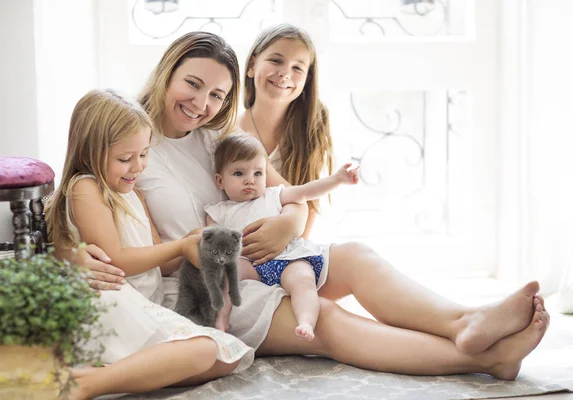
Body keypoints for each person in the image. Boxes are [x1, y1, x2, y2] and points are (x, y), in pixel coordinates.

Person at [83, 27, 549, 384]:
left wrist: (289, 225)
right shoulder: (134, 148)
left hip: (262, 258)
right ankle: (487, 356)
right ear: (167, 72)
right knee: (324, 321)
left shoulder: (218, 138)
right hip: (208, 287)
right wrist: (74, 253)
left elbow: (290, 197)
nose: (202, 104)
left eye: (217, 95)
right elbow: (84, 204)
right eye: (193, 84)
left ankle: (465, 322)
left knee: (354, 256)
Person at [45, 89, 253, 400]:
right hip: (111, 299)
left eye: (143, 154)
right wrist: (179, 248)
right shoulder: (86, 188)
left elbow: (161, 262)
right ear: (89, 151)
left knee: (229, 355)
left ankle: (107, 374)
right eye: (125, 158)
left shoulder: (133, 192)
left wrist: (189, 241)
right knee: (206, 349)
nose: (138, 166)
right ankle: (85, 385)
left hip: (143, 298)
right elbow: (115, 259)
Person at [206, 133, 359, 340]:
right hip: (250, 264)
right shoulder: (218, 212)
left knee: (303, 281)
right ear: (220, 181)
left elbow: (305, 192)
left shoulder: (274, 195)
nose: (250, 180)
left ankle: (306, 321)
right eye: (239, 173)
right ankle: (221, 318)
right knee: (226, 276)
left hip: (287, 258)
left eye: (258, 173)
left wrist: (337, 179)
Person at [238, 24, 333, 238]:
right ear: (252, 65)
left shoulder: (310, 129)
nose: (284, 74)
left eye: (297, 68)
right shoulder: (228, 133)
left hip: (290, 249)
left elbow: (309, 210)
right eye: (276, 61)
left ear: (307, 79)